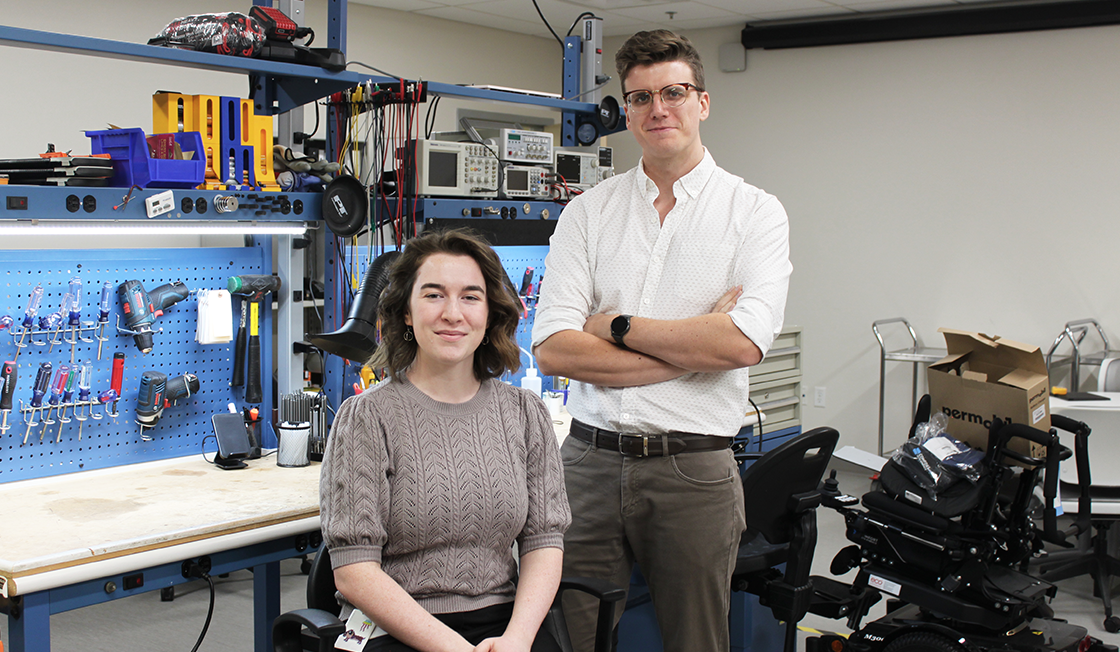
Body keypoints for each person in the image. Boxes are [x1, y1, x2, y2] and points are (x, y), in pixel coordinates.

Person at [531, 30, 792, 652]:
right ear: (626, 110)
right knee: (569, 638)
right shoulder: (589, 212)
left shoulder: (754, 213)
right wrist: (689, 349)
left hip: (694, 469)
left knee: (695, 641)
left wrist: (615, 328)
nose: (658, 109)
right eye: (640, 97)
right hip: (588, 464)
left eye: (673, 92)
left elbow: (740, 345)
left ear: (702, 102)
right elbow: (552, 348)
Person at [320, 229, 571, 652]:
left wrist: (519, 638)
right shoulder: (367, 418)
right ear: (405, 313)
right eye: (434, 295)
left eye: (470, 297)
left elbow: (544, 541)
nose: (453, 314)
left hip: (504, 625)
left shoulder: (525, 414)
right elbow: (353, 571)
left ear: (490, 314)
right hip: (395, 626)